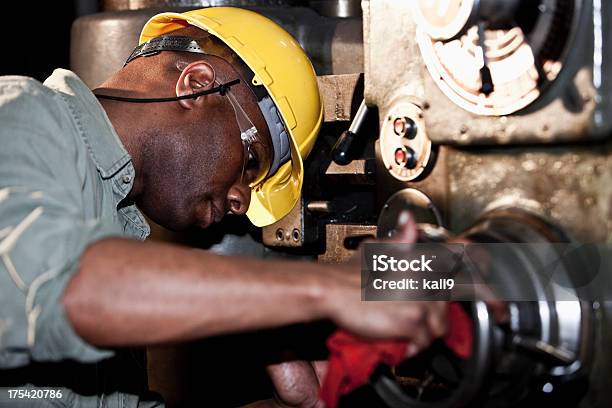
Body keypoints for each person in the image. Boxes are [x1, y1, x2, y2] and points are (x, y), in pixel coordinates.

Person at [0, 7, 448, 407]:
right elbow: (61, 285)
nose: (242, 199)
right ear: (196, 85)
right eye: (250, 163)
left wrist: (286, 406)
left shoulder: (114, 227)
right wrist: (330, 289)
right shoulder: (21, 112)